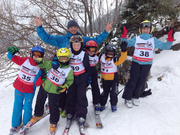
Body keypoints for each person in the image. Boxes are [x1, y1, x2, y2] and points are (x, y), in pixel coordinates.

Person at [121, 20, 174, 108]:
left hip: (147, 64)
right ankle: (127, 98)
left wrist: (170, 38)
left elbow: (166, 46)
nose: (145, 30)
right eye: (144, 28)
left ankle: (135, 96)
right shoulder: (137, 38)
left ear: (150, 29)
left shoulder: (153, 40)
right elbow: (124, 44)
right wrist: (123, 35)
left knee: (142, 81)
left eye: (147, 28)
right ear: (140, 30)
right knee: (133, 80)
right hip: (136, 63)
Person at [28, 48, 74, 134]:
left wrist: (65, 86)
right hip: (45, 86)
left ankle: (53, 122)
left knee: (53, 106)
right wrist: (40, 61)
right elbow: (44, 64)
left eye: (65, 58)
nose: (63, 60)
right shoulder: (54, 64)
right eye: (61, 58)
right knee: (39, 100)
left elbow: (70, 81)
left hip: (55, 90)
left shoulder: (69, 70)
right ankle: (38, 114)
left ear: (68, 58)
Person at [7, 46, 46, 135]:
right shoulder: (25, 60)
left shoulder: (40, 68)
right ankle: (15, 126)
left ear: (42, 57)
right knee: (17, 107)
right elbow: (11, 57)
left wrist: (42, 77)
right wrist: (12, 52)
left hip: (29, 91)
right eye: (35, 54)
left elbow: (37, 83)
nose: (37, 56)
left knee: (27, 108)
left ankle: (25, 125)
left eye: (39, 55)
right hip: (19, 88)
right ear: (31, 54)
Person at [34, 16, 113, 49]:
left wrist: (106, 31)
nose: (73, 29)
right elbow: (47, 38)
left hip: (79, 70)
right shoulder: (61, 39)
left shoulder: (83, 39)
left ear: (77, 28)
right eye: (71, 27)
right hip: (65, 69)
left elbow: (96, 41)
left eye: (75, 27)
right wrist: (40, 27)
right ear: (68, 29)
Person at [65, 35, 91, 133]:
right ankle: (70, 112)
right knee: (70, 96)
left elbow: (88, 68)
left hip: (81, 78)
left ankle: (81, 115)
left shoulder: (84, 54)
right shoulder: (68, 52)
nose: (76, 46)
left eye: (78, 45)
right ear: (71, 45)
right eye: (74, 45)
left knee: (81, 97)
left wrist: (88, 79)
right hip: (71, 78)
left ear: (81, 45)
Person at [99, 42, 128, 112]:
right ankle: (102, 104)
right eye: (109, 53)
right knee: (105, 93)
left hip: (114, 79)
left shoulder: (115, 60)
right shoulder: (101, 57)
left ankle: (113, 104)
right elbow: (94, 53)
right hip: (105, 79)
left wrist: (123, 51)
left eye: (112, 54)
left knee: (114, 93)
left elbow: (122, 58)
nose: (110, 55)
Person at [84, 40, 101, 114]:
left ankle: (96, 102)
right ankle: (81, 103)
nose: (91, 52)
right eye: (89, 50)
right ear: (86, 50)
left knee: (95, 86)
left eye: (93, 50)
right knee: (83, 87)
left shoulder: (97, 56)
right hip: (85, 71)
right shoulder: (84, 55)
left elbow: (105, 59)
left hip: (93, 70)